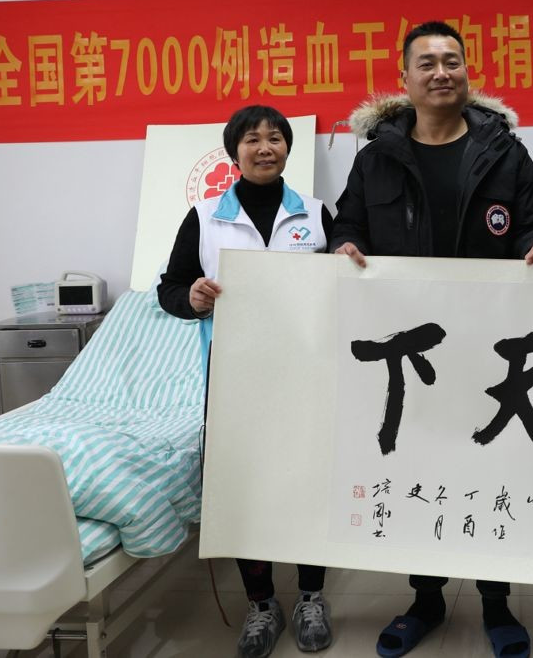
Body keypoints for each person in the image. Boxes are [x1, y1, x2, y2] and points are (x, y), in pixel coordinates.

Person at [329, 20, 533, 658]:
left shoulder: (504, 151)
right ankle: (425, 599)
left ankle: (496, 602)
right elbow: (347, 226)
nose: (441, 72)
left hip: (489, 343)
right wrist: (345, 246)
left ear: (467, 72)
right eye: (426, 63)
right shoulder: (376, 156)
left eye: (452, 61)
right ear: (404, 78)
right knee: (418, 470)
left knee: (489, 466)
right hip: (409, 350)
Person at [157, 105, 334, 658]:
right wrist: (192, 297)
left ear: (288, 148)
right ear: (234, 151)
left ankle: (311, 598)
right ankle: (262, 604)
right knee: (245, 489)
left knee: (307, 484)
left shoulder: (317, 214)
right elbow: (170, 288)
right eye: (252, 139)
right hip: (235, 378)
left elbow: (344, 287)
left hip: (306, 374)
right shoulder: (205, 217)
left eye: (275, 138)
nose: (264, 148)